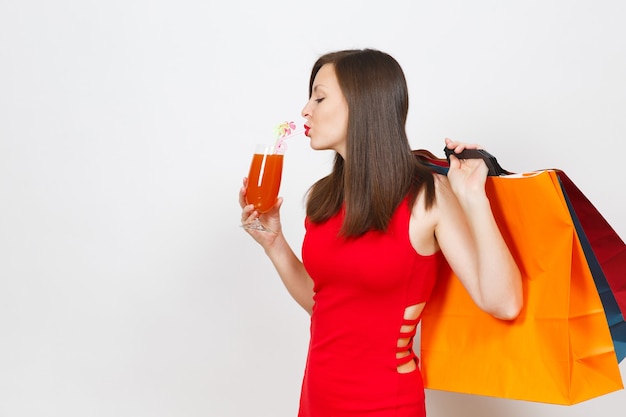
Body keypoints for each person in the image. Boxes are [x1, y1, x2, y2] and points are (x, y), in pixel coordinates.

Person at [239, 48, 522, 417]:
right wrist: (275, 244)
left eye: (319, 97)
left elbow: (503, 302)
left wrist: (473, 199)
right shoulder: (322, 199)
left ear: (364, 104)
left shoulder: (426, 196)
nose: (305, 110)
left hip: (386, 405)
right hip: (317, 401)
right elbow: (324, 306)